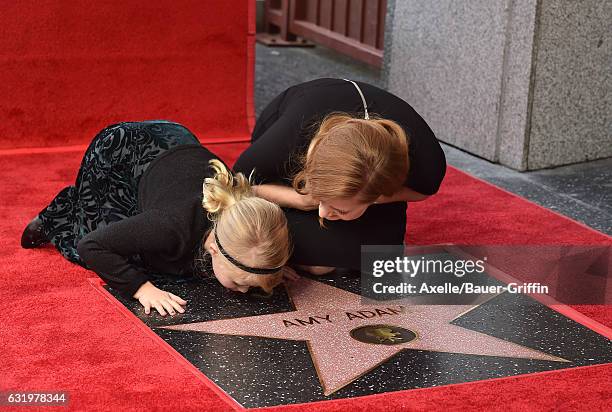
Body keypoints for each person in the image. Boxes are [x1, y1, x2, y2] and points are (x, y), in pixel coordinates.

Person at [21, 121, 294, 316]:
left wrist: (271, 271)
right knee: (103, 233)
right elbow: (92, 246)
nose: (245, 292)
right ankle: (61, 211)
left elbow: (260, 247)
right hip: (125, 151)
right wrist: (141, 288)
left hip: (178, 145)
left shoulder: (254, 224)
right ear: (213, 248)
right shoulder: (171, 226)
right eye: (241, 283)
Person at [233, 78, 446, 274]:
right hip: (282, 169)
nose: (323, 212)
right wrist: (302, 199)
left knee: (376, 258)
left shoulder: (427, 159)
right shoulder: (291, 133)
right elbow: (238, 184)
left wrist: (372, 200)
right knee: (317, 264)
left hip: (363, 188)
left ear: (377, 195)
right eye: (323, 200)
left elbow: (423, 191)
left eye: (339, 209)